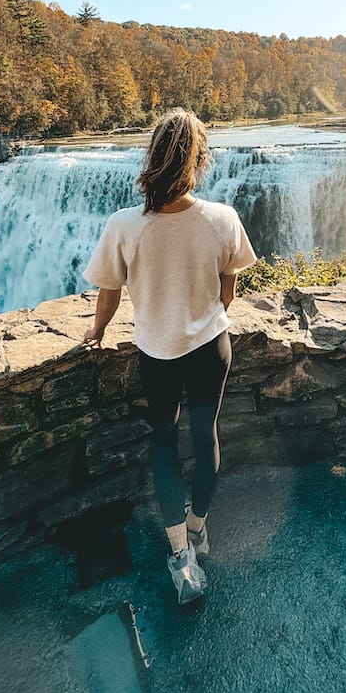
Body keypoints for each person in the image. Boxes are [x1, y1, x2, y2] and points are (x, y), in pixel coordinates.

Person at [82, 108, 256, 604]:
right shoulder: (222, 218)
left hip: (157, 352)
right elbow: (228, 290)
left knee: (163, 442)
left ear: (152, 159)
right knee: (206, 436)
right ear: (199, 161)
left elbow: (110, 294)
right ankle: (200, 529)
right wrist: (202, 317)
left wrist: (96, 333)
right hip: (210, 347)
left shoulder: (124, 225)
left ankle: (180, 554)